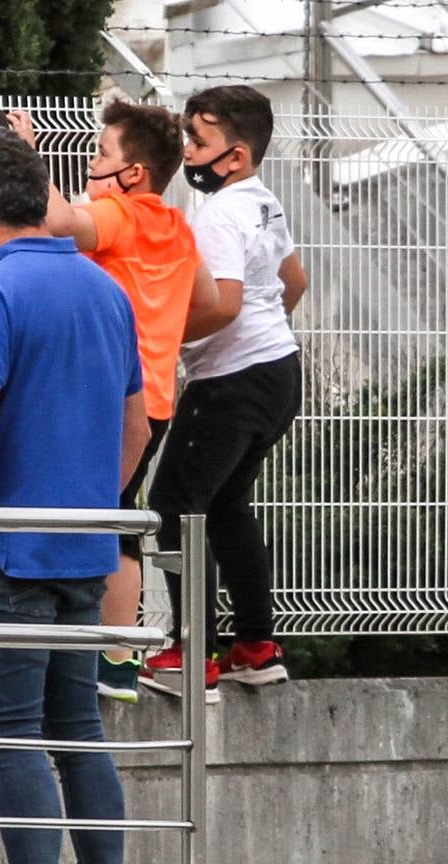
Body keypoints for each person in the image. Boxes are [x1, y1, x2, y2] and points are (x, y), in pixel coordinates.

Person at [0, 128, 148, 864]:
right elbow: (138, 423)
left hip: (6, 549)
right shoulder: (104, 288)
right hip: (85, 548)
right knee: (78, 730)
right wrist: (93, 499)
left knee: (12, 734)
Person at [43, 100, 230, 704]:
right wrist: (164, 329)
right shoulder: (177, 227)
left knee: (86, 514)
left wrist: (26, 157)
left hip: (103, 395)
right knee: (120, 516)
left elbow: (58, 224)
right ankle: (118, 658)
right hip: (154, 398)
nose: (91, 164)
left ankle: (94, 648)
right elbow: (203, 299)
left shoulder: (118, 213)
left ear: (133, 174)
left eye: (100, 154)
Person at [142, 86, 307, 695]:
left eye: (197, 140)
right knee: (226, 505)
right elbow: (295, 282)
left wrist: (162, 339)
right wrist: (263, 338)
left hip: (231, 382)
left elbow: (226, 305)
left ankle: (191, 657)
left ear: (233, 156)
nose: (187, 150)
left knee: (174, 507)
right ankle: (256, 647)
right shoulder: (264, 203)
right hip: (278, 373)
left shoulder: (217, 215)